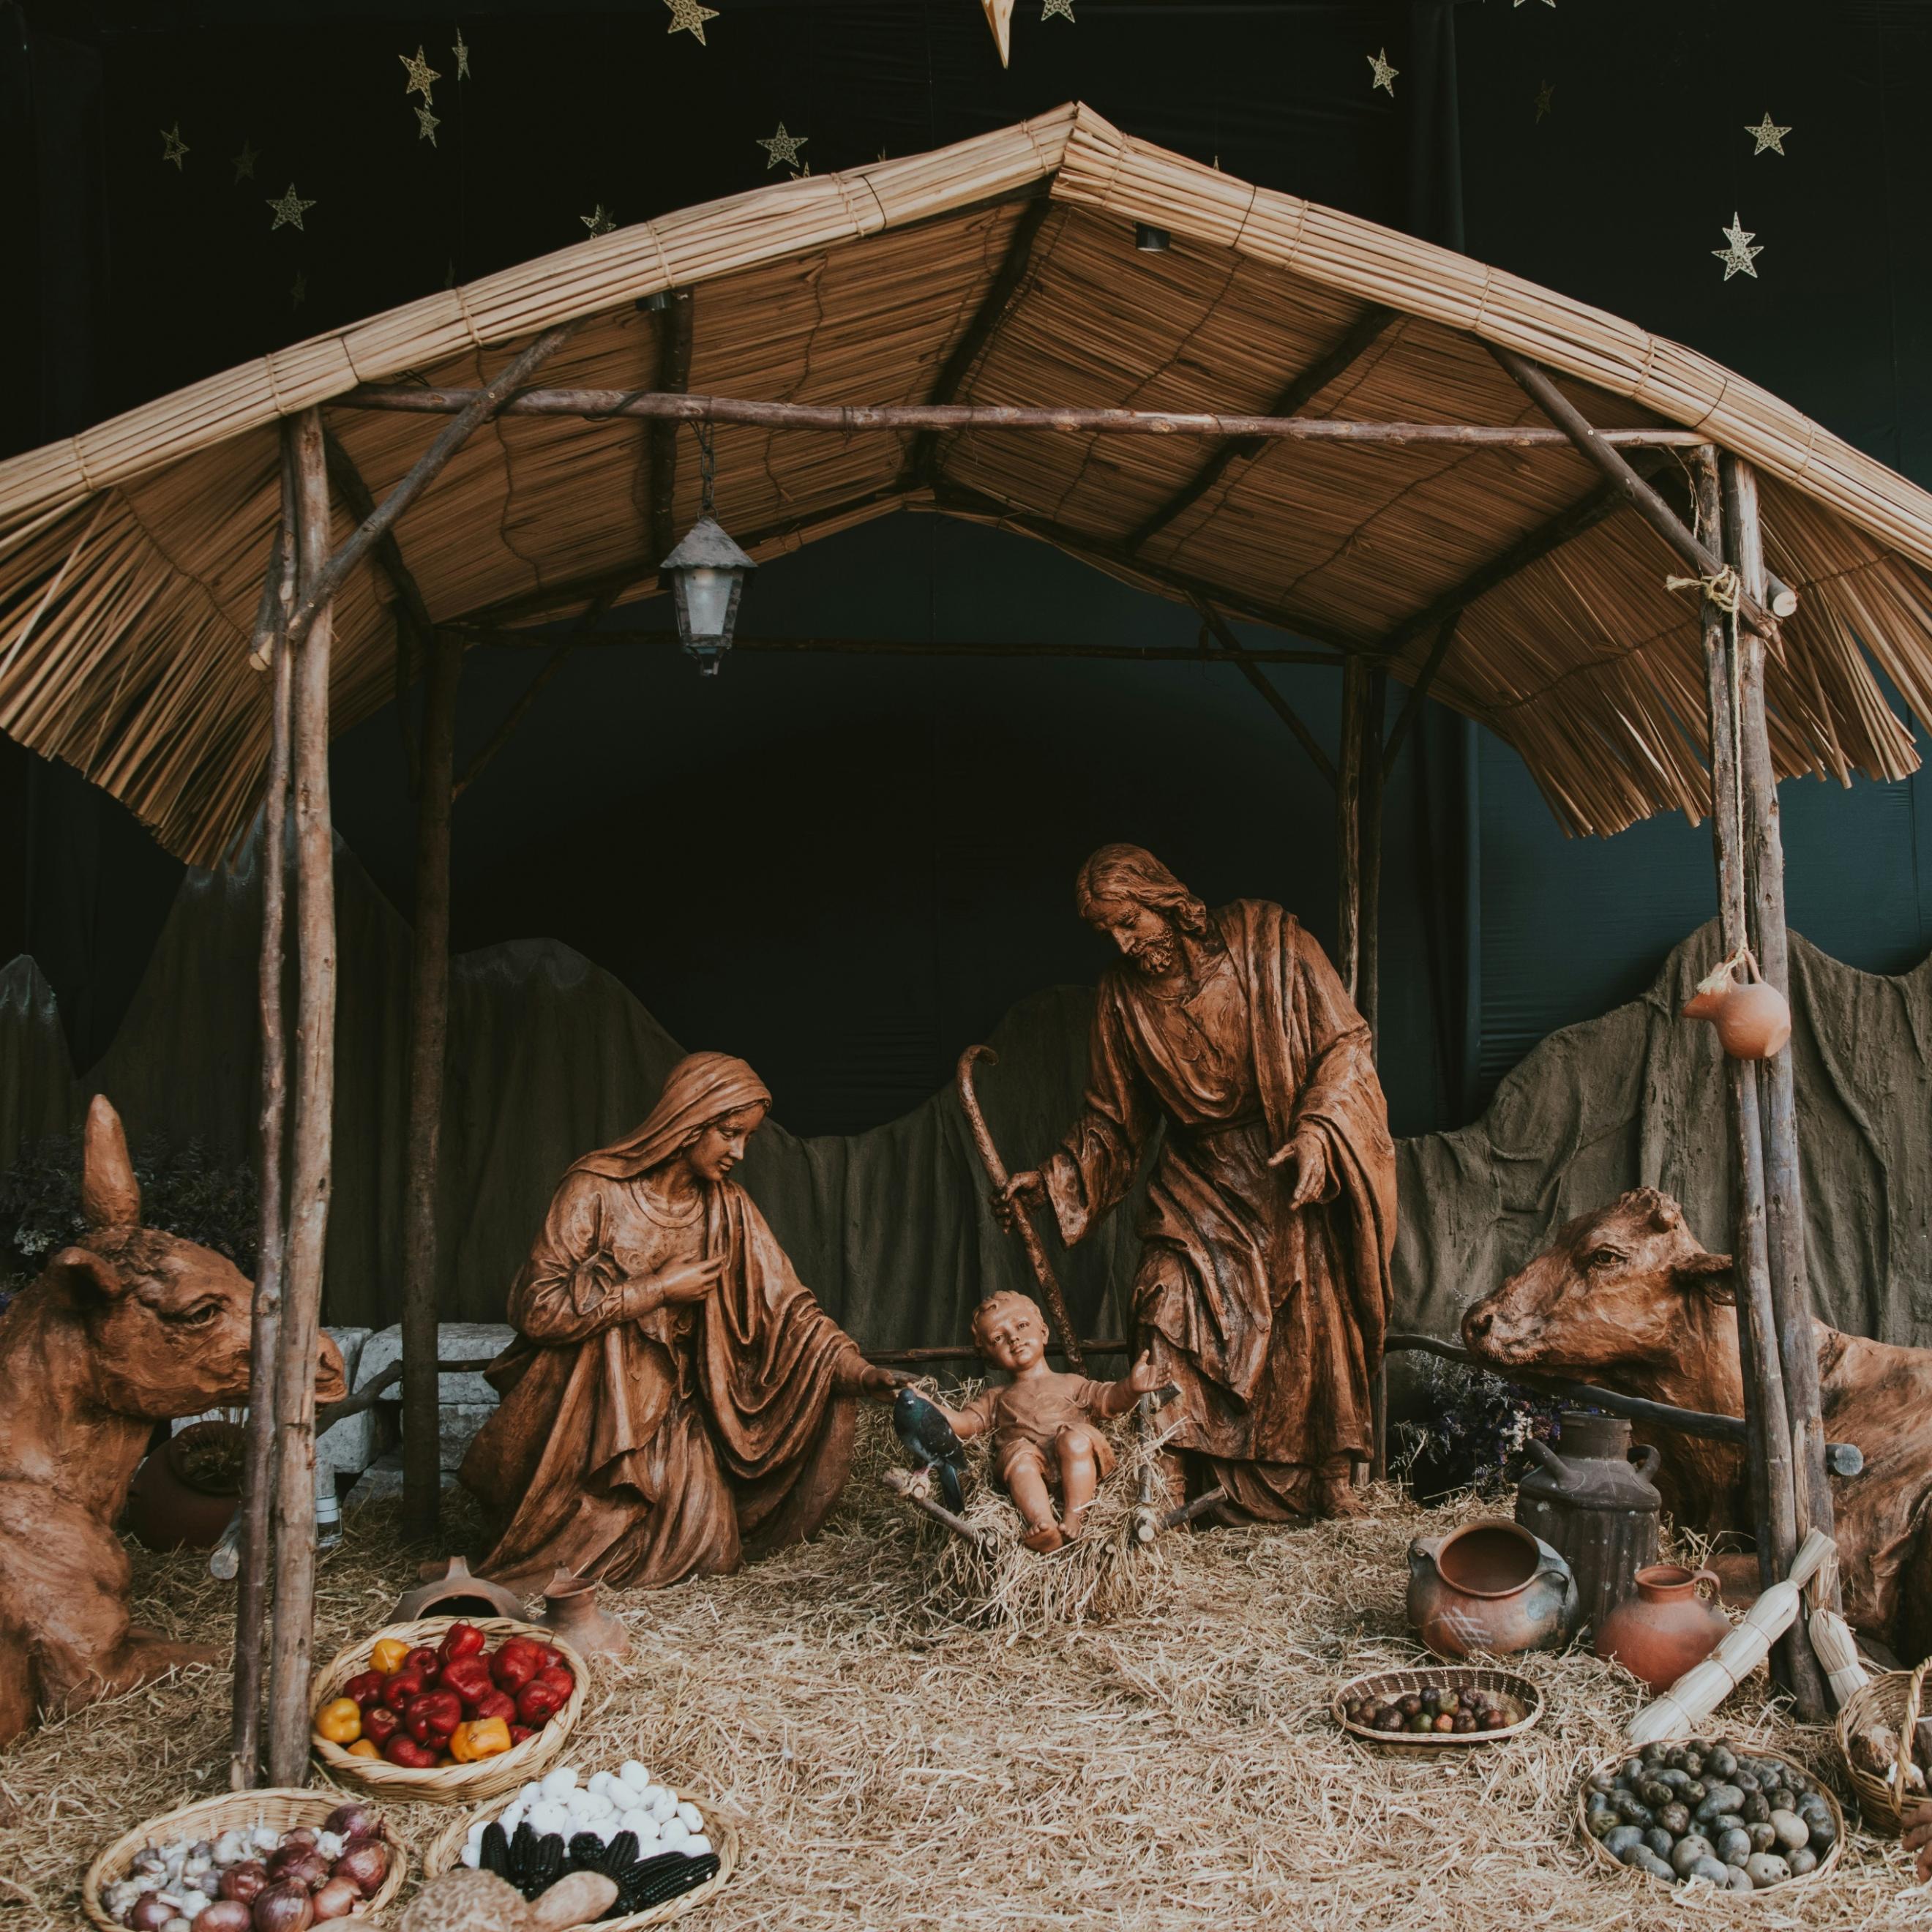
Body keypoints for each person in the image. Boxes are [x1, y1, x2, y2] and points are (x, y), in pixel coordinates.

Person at [997, 844, 1396, 1522]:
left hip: (1283, 1155)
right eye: (1109, 934)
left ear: (1164, 900)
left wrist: (1319, 1131)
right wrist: (1057, 1179)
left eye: (1131, 922)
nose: (1125, 945)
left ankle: (1330, 1475)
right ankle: (1170, 1475)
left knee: (1313, 1294)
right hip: (1195, 1179)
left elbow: (1345, 1043)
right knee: (1166, 1301)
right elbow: (1113, 1121)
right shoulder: (1121, 1001)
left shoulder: (1269, 941)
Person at [461, 1051, 898, 1588]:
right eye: (730, 1133)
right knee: (572, 1567)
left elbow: (790, 1310)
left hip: (677, 1417)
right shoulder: (596, 1189)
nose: (739, 1151)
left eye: (748, 1138)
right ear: (689, 1121)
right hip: (591, 1420)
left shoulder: (727, 1208)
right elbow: (537, 1309)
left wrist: (856, 1371)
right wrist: (656, 1291)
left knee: (713, 1557)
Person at [931, 1290, 1162, 1551]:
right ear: (990, 1358)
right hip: (1031, 1464)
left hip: (1076, 1457)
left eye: (1021, 1325)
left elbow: (1110, 1400)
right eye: (998, 1338)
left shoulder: (1072, 1382)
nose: (1013, 1338)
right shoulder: (997, 1398)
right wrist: (922, 1405)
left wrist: (1131, 1388)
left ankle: (1074, 1516)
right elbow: (964, 1423)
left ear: (1043, 1331)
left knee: (1075, 1438)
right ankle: (1043, 1523)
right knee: (1017, 1455)